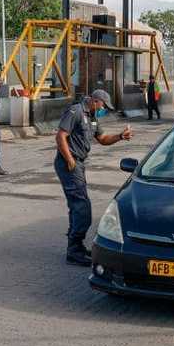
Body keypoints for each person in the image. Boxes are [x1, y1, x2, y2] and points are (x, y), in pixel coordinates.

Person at [55, 90, 133, 266]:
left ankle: (75, 247)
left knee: (76, 205)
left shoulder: (92, 116)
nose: (103, 109)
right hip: (70, 163)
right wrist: (70, 161)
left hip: (78, 163)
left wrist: (121, 136)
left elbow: (103, 139)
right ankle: (74, 250)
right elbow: (60, 136)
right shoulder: (75, 112)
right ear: (95, 101)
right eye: (103, 106)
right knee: (83, 208)